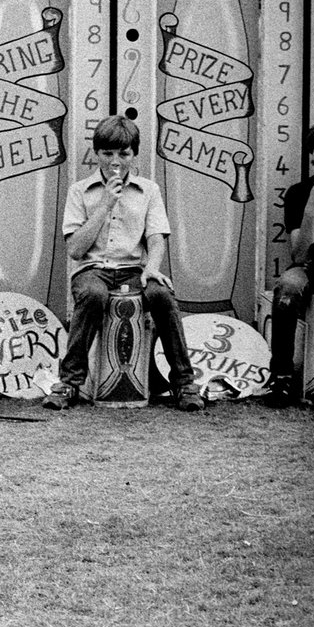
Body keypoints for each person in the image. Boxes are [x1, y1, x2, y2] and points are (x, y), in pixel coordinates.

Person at [42, 115, 205, 412]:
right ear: (96, 154)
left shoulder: (148, 190)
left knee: (162, 295)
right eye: (107, 154)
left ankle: (184, 383)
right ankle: (69, 382)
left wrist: (153, 268)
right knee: (93, 295)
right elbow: (75, 250)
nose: (115, 161)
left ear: (134, 154)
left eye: (123, 153)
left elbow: (156, 238)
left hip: (134, 270)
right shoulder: (80, 191)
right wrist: (105, 203)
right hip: (92, 271)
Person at [264, 116, 314, 406]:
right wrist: (311, 210)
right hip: (308, 267)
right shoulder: (297, 193)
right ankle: (281, 378)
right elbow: (300, 254)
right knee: (286, 289)